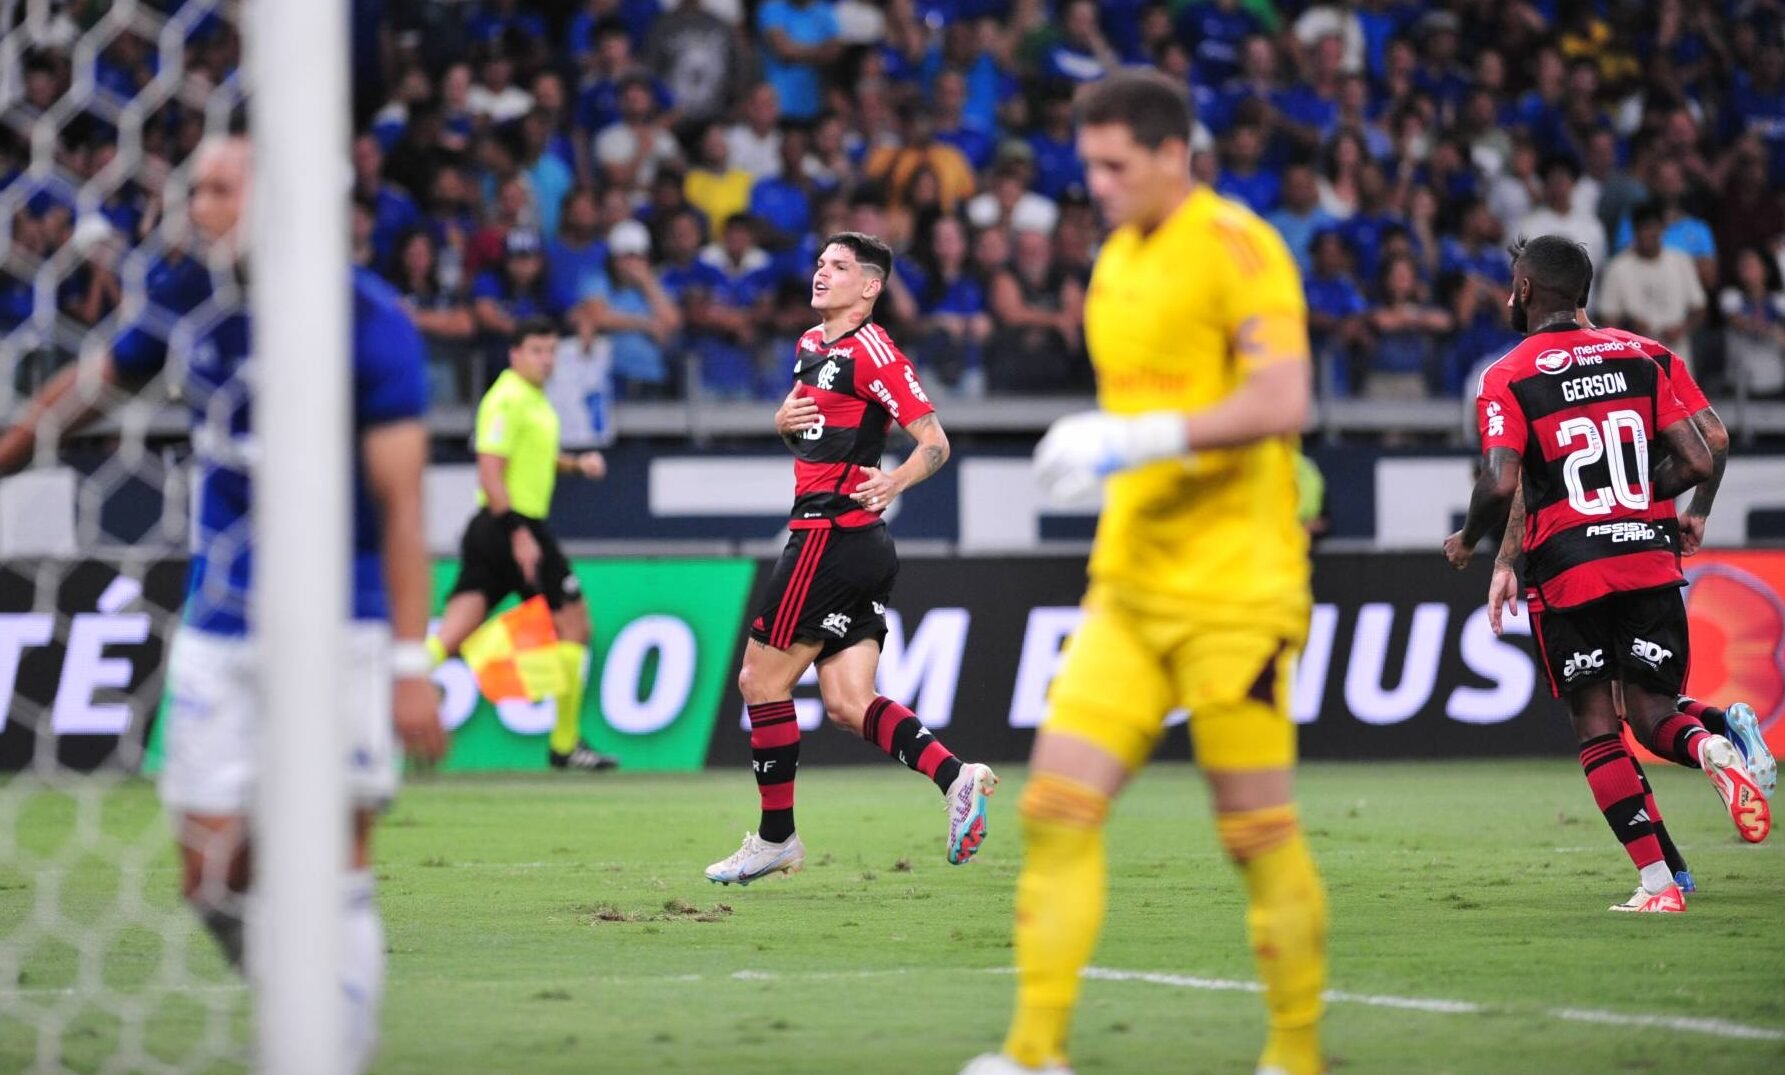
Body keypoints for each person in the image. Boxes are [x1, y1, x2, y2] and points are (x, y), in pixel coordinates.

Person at [0, 136, 444, 1073]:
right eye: (194, 187)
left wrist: (411, 664)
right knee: (209, 876)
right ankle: (300, 1007)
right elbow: (90, 390)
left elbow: (405, 504)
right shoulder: (183, 299)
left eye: (215, 189)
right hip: (222, 619)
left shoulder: (366, 321)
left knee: (335, 866)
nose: (195, 204)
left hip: (344, 622)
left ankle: (332, 1052)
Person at [964, 71, 1326, 1075]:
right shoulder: (1113, 262)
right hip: (1128, 581)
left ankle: (1295, 1057)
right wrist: (1107, 446)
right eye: (1088, 164)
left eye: (1116, 164)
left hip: (1237, 590)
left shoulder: (1240, 249)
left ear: (1176, 154)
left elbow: (1284, 396)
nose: (1098, 184)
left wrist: (1144, 437)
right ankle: (1034, 1054)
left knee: (1254, 830)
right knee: (1053, 809)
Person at [1444, 235, 1769, 916]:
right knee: (1650, 711)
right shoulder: (1645, 353)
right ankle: (1713, 745)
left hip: (1569, 570)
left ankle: (1658, 884)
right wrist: (1662, 505)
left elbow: (1505, 479)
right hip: (1648, 555)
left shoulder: (1506, 374)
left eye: (1512, 284)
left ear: (1526, 290)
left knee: (1598, 728)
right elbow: (1704, 451)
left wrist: (1473, 540)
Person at [704, 231, 995, 886]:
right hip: (854, 543)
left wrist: (893, 481)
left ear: (869, 287)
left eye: (838, 266)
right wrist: (785, 426)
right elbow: (819, 440)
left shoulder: (873, 350)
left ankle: (776, 837)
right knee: (845, 699)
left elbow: (934, 442)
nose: (820, 273)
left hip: (829, 538)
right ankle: (957, 776)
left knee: (760, 681)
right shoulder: (810, 345)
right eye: (818, 263)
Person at [427, 317, 617, 772]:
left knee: (452, 635)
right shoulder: (506, 398)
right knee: (575, 625)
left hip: (498, 528)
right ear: (515, 354)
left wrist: (575, 465)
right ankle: (565, 744)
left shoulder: (533, 401)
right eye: (536, 350)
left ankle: (367, 717)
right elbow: (490, 471)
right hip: (510, 526)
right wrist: (519, 534)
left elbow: (534, 457)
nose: (546, 360)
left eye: (551, 351)